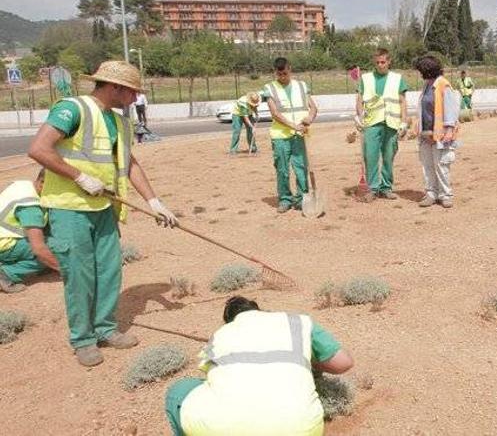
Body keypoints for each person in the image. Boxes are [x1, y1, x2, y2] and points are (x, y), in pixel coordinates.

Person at [28, 60, 179, 367]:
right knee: (80, 274)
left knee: (110, 271)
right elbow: (39, 149)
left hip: (104, 207)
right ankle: (83, 339)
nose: (135, 99)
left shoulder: (120, 122)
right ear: (115, 88)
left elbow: (130, 163)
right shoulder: (72, 110)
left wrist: (153, 201)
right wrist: (79, 177)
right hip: (70, 208)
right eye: (132, 92)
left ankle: (106, 329)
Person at [164, 295, 354, 436]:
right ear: (259, 310)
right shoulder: (297, 322)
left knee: (179, 391)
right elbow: (343, 363)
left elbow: (213, 379)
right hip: (302, 428)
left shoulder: (220, 334)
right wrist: (306, 360)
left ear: (230, 320)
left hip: (224, 428)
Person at [263, 57, 318, 213]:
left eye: (285, 73)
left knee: (301, 167)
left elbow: (313, 107)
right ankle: (285, 199)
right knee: (282, 169)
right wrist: (294, 126)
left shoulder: (301, 86)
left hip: (299, 136)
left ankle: (302, 199)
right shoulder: (270, 88)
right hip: (280, 136)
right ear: (275, 72)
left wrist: (309, 118)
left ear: (290, 69)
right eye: (279, 74)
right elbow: (275, 113)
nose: (282, 77)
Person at [354, 48, 409, 202]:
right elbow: (359, 99)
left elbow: (402, 101)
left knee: (388, 156)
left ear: (389, 61)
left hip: (391, 123)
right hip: (372, 123)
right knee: (370, 156)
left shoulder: (397, 79)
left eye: (383, 62)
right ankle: (373, 188)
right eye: (377, 62)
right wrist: (359, 115)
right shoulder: (365, 78)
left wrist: (404, 121)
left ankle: (386, 188)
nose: (380, 65)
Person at [0, 170, 61, 293]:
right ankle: (6, 274)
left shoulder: (23, 186)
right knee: (55, 249)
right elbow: (39, 249)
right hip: (5, 244)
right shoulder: (30, 207)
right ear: (42, 183)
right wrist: (64, 269)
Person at [414, 55, 460, 209]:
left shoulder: (443, 85)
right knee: (427, 165)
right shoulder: (427, 84)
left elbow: (451, 111)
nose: (419, 73)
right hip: (426, 134)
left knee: (441, 165)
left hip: (441, 134)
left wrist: (448, 130)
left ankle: (445, 195)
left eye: (421, 70)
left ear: (427, 70)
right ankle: (431, 193)